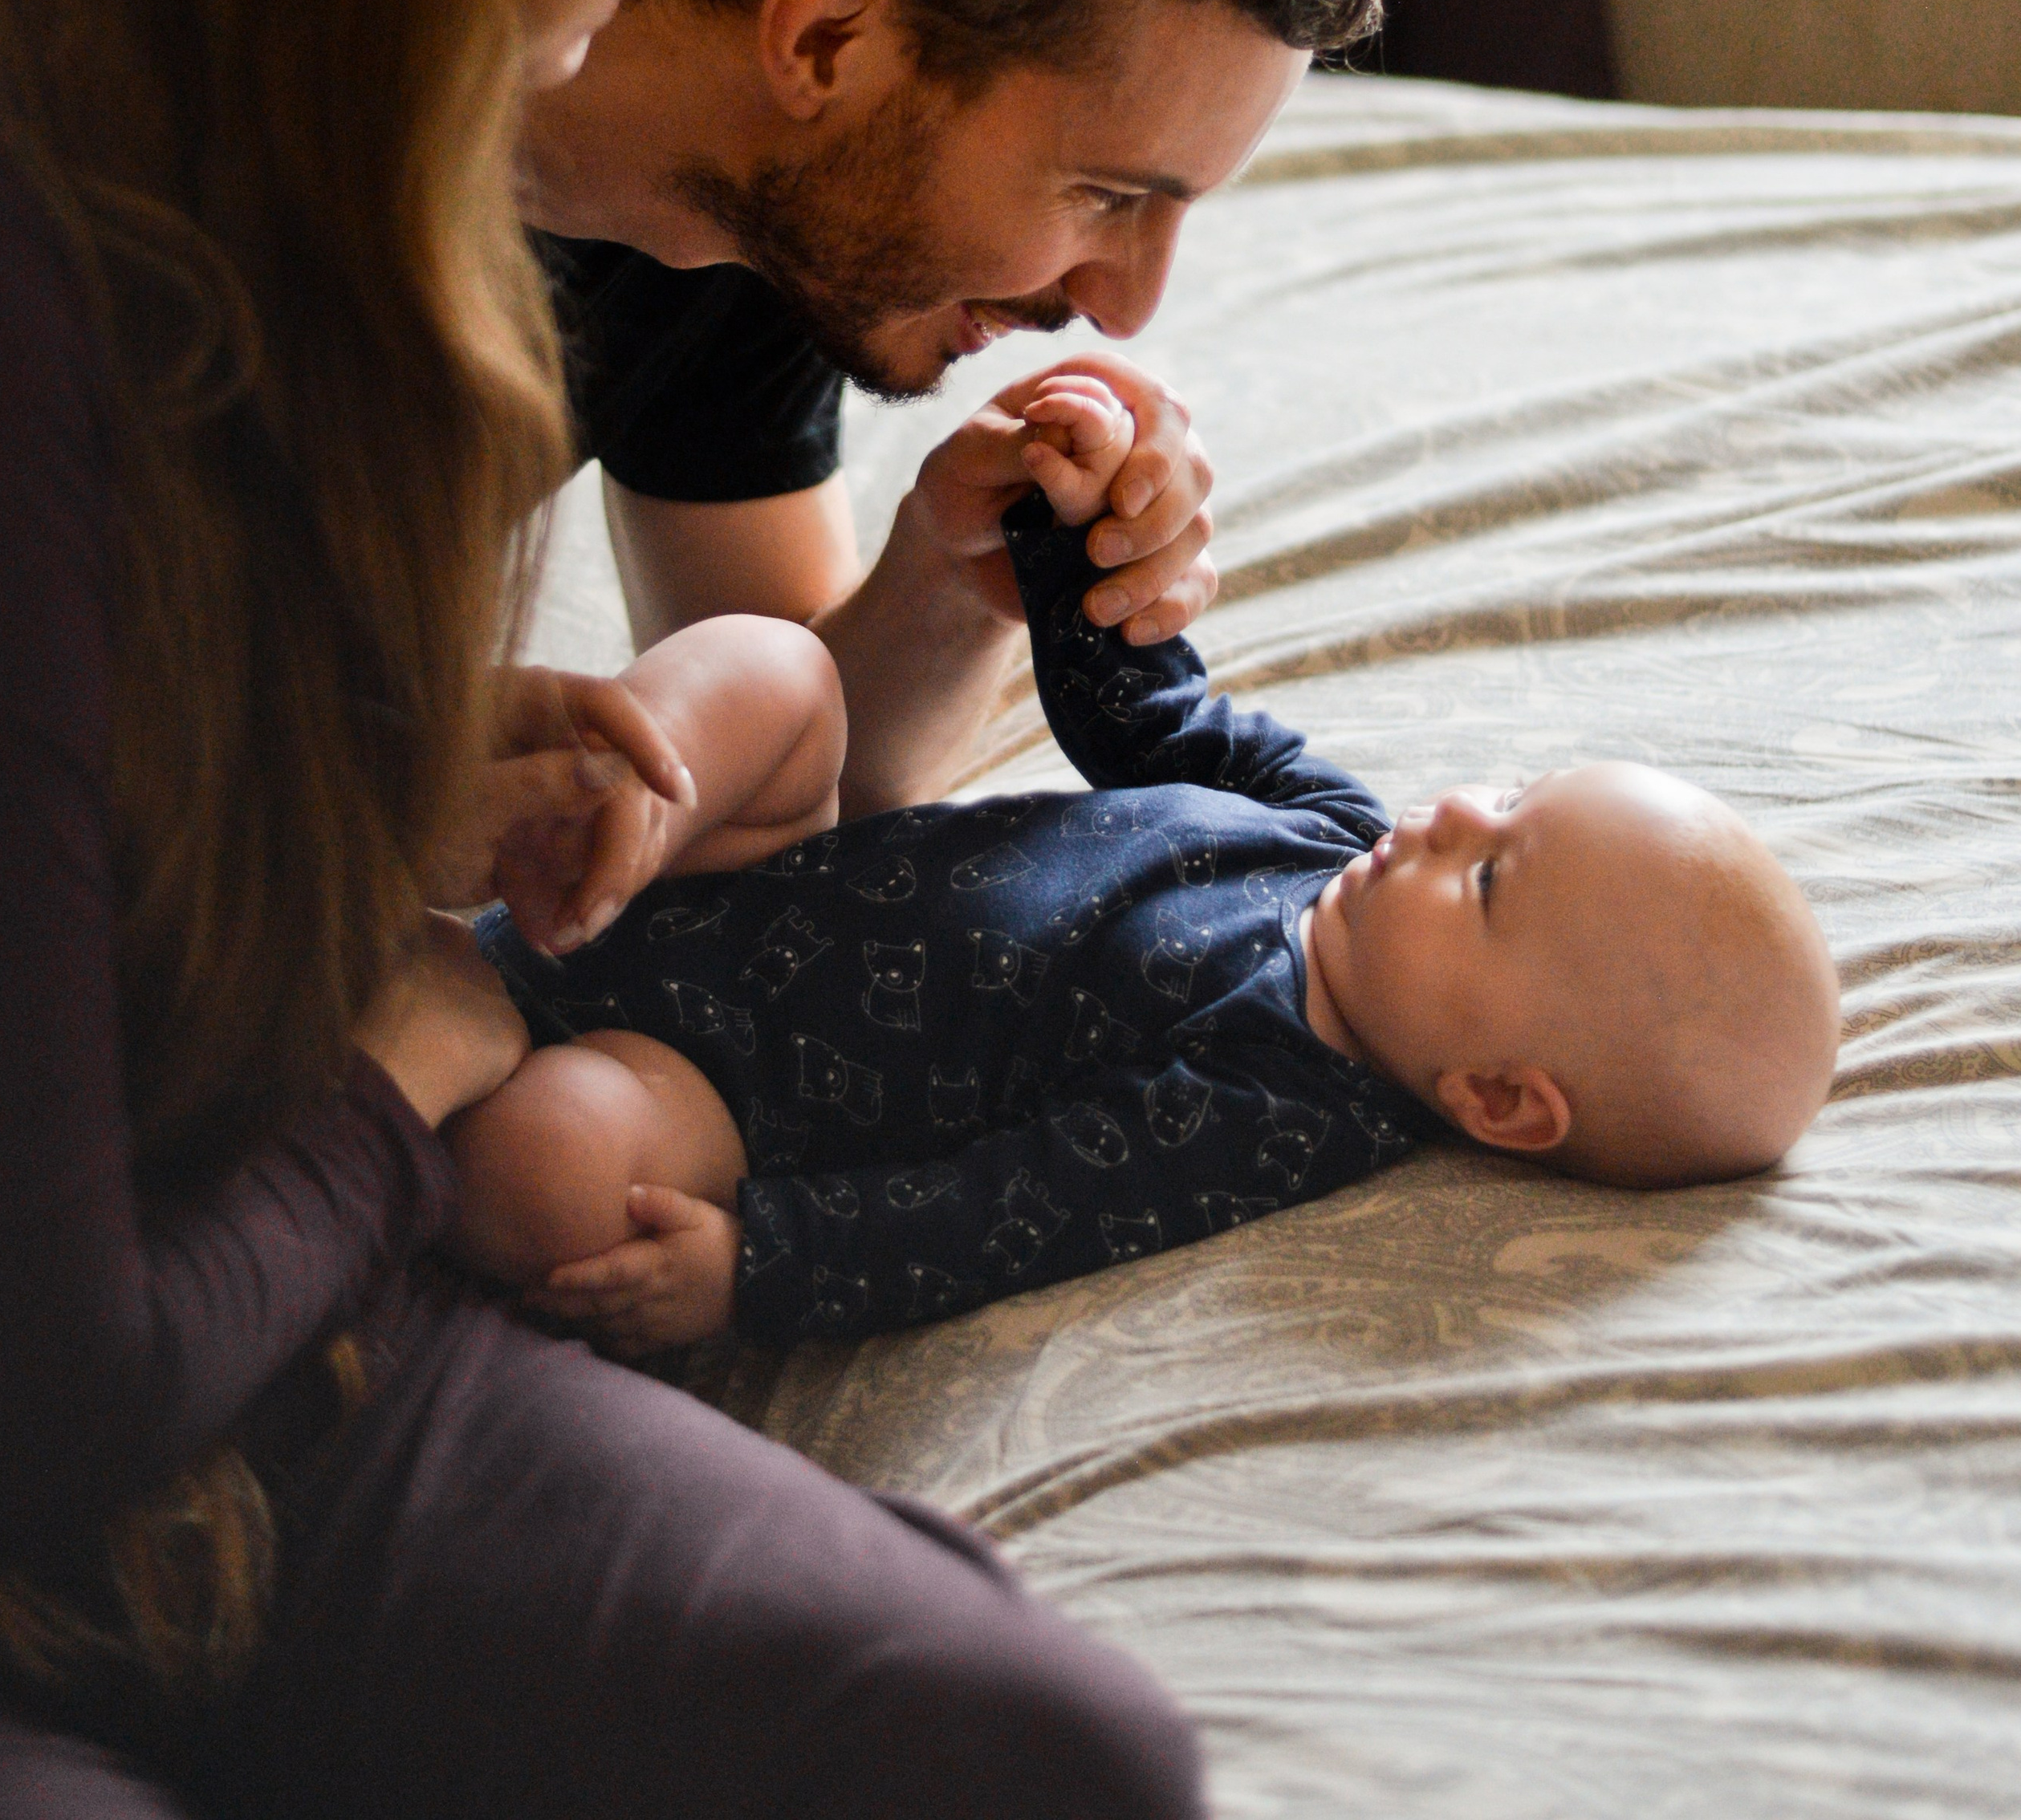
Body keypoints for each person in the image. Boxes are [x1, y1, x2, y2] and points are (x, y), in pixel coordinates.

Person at [0, 0, 1203, 1820]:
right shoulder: (43, 245)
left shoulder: (375, 149)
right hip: (83, 1381)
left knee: (1041, 1752)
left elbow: (764, 755)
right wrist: (414, 1039)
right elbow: (44, 1383)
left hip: (233, 1308)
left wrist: (359, 782)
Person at [449, 375, 1843, 1353]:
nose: (1448, 820)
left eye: (1490, 880)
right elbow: (1154, 718)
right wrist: (1072, 537)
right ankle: (614, 800)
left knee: (550, 1176)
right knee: (777, 667)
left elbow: (1020, 1208)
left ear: (1497, 1097)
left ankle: (471, 1007)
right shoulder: (1338, 833)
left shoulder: (1276, 1105)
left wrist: (764, 1267)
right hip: (756, 871)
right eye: (1507, 797)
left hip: (727, 1084)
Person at [518, 0, 1402, 842]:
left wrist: (955, 576)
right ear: (830, 38)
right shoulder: (238, 188)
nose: (1126, 307)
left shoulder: (761, 220)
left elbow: (783, 787)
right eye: (1107, 193)